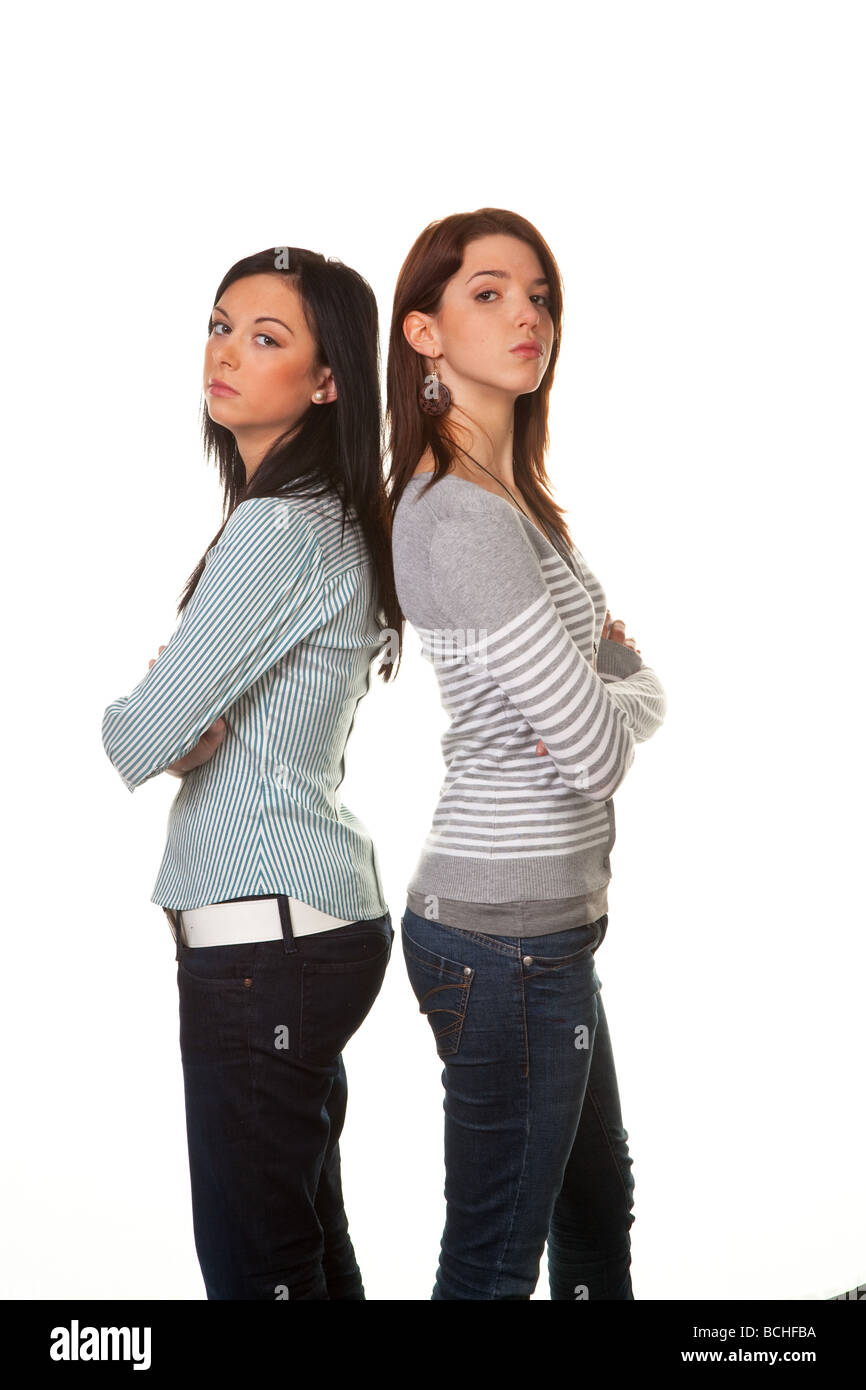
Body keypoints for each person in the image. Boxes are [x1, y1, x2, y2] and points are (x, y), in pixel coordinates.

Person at [102, 246, 402, 1300]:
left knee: (257, 1268)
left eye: (266, 337)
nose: (226, 352)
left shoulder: (279, 526)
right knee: (304, 1252)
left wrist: (147, 711)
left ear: (328, 381)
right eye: (221, 323)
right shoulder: (319, 517)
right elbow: (177, 718)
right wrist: (175, 708)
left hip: (262, 945)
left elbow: (141, 733)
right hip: (299, 930)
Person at [387, 208, 668, 1300]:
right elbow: (598, 746)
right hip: (499, 943)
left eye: (539, 295)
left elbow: (607, 704)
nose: (525, 316)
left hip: (548, 931)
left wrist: (609, 687)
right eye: (489, 293)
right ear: (422, 332)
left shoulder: (520, 506)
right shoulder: (459, 519)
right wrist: (623, 683)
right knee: (494, 1260)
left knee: (597, 1213)